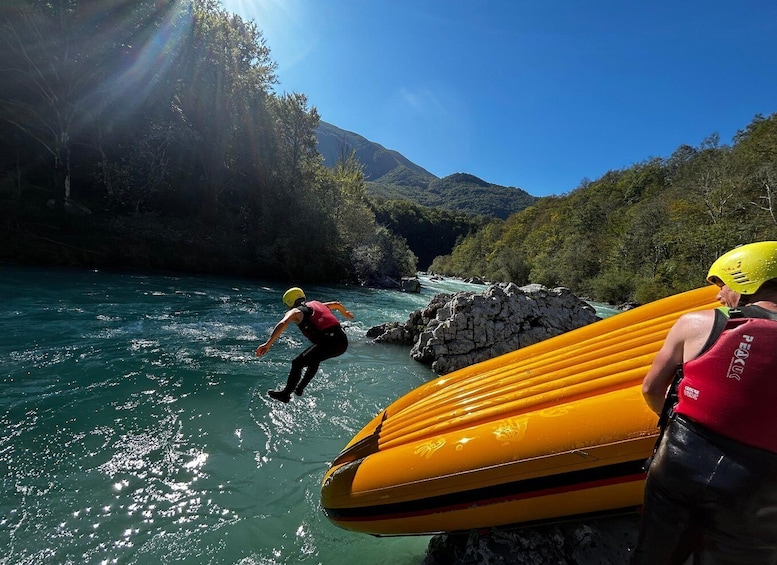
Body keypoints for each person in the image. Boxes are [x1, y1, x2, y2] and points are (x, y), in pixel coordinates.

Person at [631, 241, 777, 564]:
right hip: (755, 488)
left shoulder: (696, 324)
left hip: (679, 463)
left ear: (746, 281)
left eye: (723, 285)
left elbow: (651, 388)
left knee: (652, 558)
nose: (719, 295)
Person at [256, 287, 354, 403]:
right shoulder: (317, 304)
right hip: (342, 341)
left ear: (289, 302)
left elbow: (283, 322)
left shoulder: (296, 311)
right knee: (314, 358)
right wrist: (345, 313)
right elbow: (336, 304)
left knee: (297, 363)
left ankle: (285, 395)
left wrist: (268, 344)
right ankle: (299, 389)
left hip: (329, 342)